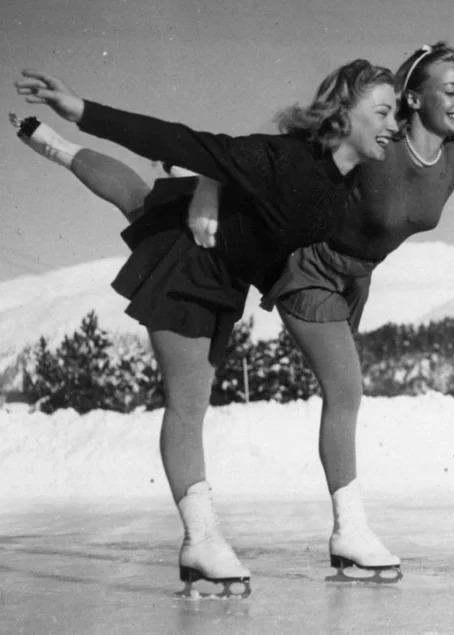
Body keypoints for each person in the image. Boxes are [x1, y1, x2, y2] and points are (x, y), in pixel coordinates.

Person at [184, 41, 454, 576]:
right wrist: (209, 188)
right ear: (415, 99)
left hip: (356, 280)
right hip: (311, 267)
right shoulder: (379, 142)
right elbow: (272, 154)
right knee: (346, 390)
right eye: (450, 90)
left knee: (343, 392)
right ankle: (349, 531)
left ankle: (344, 529)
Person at [13, 60, 399, 598]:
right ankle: (200, 540)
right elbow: (187, 140)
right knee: (189, 401)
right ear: (342, 114)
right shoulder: (284, 159)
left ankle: (54, 147)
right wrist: (82, 110)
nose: (394, 124)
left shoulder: (342, 187)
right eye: (383, 111)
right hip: (188, 264)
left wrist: (212, 189)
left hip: (226, 272)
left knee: (136, 198)